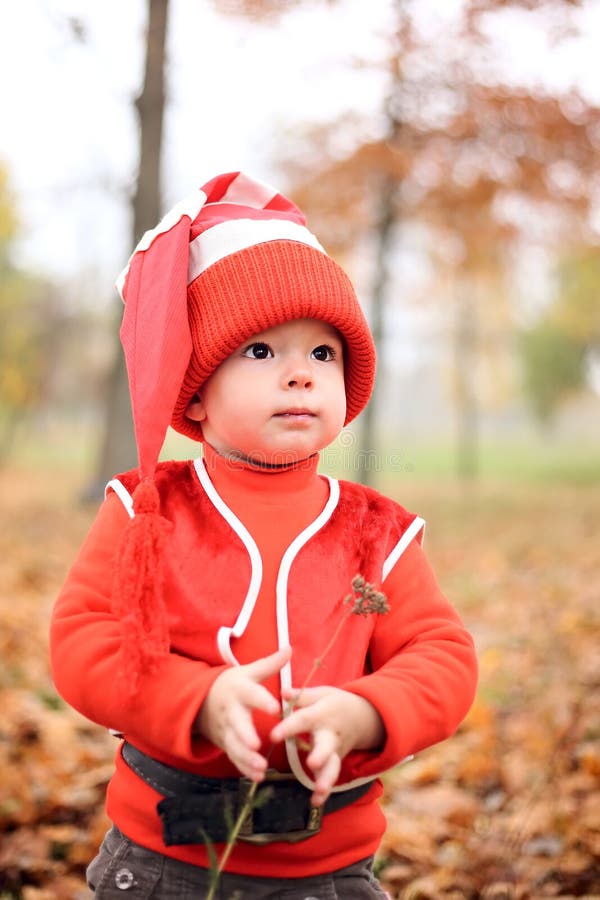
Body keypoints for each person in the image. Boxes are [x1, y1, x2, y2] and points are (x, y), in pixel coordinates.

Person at [50, 171, 478, 899]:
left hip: (329, 866)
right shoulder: (150, 509)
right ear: (196, 389)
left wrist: (371, 710)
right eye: (260, 352)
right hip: (165, 860)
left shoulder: (376, 531)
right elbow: (84, 639)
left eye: (322, 353)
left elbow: (442, 655)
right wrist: (197, 698)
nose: (300, 377)